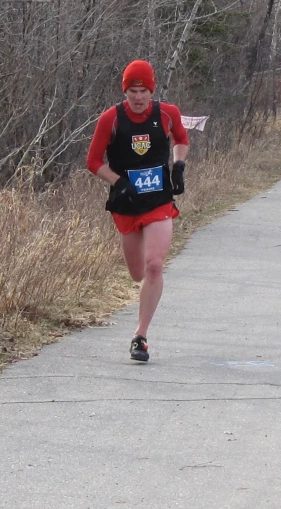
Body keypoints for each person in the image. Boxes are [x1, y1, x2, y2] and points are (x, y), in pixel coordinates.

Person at [86, 60, 189, 362]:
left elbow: (182, 139)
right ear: (125, 91)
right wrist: (119, 182)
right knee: (137, 273)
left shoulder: (168, 114)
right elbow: (93, 161)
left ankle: (140, 337)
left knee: (154, 265)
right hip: (127, 203)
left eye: (143, 90)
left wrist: (179, 166)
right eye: (133, 91)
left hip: (159, 200)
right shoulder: (111, 119)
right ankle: (145, 292)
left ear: (151, 90)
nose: (139, 97)